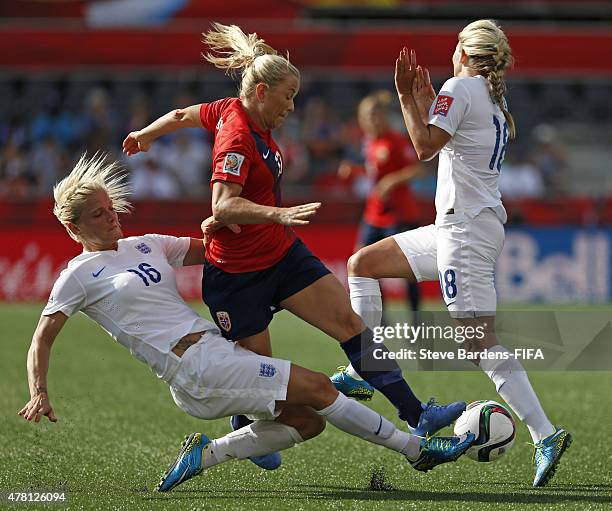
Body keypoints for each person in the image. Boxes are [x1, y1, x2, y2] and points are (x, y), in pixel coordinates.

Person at [17, 153, 474, 493]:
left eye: (111, 206)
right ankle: (417, 451)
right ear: (73, 227)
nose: (112, 215)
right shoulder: (76, 277)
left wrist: (224, 226)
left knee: (308, 422)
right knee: (319, 390)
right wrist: (39, 390)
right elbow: (43, 337)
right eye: (99, 214)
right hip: (194, 368)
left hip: (213, 355)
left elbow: (213, 250)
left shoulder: (145, 244)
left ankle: (207, 453)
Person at [122, 21, 466, 463]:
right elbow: (223, 206)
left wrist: (147, 135)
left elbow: (183, 115)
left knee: (348, 322)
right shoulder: (237, 137)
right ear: (262, 92)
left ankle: (417, 413)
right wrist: (277, 214)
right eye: (287, 96)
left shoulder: (230, 109)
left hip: (282, 257)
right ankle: (246, 431)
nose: (292, 106)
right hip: (237, 278)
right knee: (258, 382)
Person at [344, 20, 572, 487]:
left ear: (464, 53)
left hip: (464, 231)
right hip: (459, 226)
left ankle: (545, 434)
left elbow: (427, 146)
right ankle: (365, 365)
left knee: (477, 342)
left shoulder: (461, 87)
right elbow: (451, 141)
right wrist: (427, 101)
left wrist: (408, 97)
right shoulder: (489, 97)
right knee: (363, 264)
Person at [333, 90, 424, 387]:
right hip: (374, 214)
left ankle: (416, 324)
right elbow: (374, 170)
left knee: (407, 270)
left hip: (400, 213)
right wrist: (356, 170)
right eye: (366, 117)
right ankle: (380, 327)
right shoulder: (370, 143)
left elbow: (418, 167)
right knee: (363, 265)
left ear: (384, 116)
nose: (371, 121)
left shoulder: (396, 140)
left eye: (375, 115)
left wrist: (391, 181)